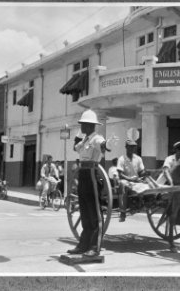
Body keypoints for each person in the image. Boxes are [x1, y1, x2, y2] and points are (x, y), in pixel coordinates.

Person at [66, 109, 108, 258]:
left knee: (94, 213)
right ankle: (83, 245)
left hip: (92, 175)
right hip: (83, 175)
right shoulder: (84, 140)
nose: (81, 127)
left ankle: (94, 247)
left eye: (83, 124)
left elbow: (103, 145)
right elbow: (75, 147)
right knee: (84, 212)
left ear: (90, 125)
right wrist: (79, 135)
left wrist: (105, 145)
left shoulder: (96, 138)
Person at [117, 139, 147, 222]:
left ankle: (141, 204)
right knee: (123, 184)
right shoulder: (121, 159)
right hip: (125, 180)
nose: (133, 148)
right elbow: (120, 174)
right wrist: (130, 179)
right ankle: (123, 212)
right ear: (126, 147)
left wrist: (145, 174)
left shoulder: (138, 159)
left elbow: (141, 171)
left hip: (136, 181)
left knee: (148, 184)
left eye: (134, 147)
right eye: (131, 147)